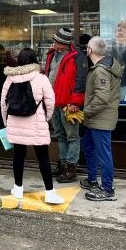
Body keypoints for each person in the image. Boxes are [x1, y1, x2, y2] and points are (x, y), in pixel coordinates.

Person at [0, 48, 63, 204]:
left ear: (19, 60)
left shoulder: (10, 78)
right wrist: (46, 119)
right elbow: (50, 102)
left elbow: (3, 104)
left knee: (18, 157)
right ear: (35, 60)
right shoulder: (41, 78)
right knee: (43, 158)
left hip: (15, 122)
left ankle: (18, 189)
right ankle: (49, 192)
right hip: (36, 123)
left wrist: (6, 123)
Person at [79, 36, 122, 202]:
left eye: (87, 47)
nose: (86, 50)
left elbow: (102, 97)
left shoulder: (101, 70)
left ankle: (107, 189)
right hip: (95, 118)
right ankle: (92, 180)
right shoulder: (103, 66)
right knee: (89, 147)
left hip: (100, 118)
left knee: (103, 154)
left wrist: (86, 112)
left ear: (90, 50)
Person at [44, 27, 88, 183]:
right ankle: (63, 165)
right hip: (54, 102)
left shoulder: (77, 57)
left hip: (69, 104)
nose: (53, 43)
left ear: (62, 43)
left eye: (56, 41)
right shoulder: (51, 54)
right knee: (60, 135)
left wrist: (76, 102)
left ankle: (71, 167)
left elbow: (81, 81)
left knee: (72, 137)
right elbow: (47, 74)